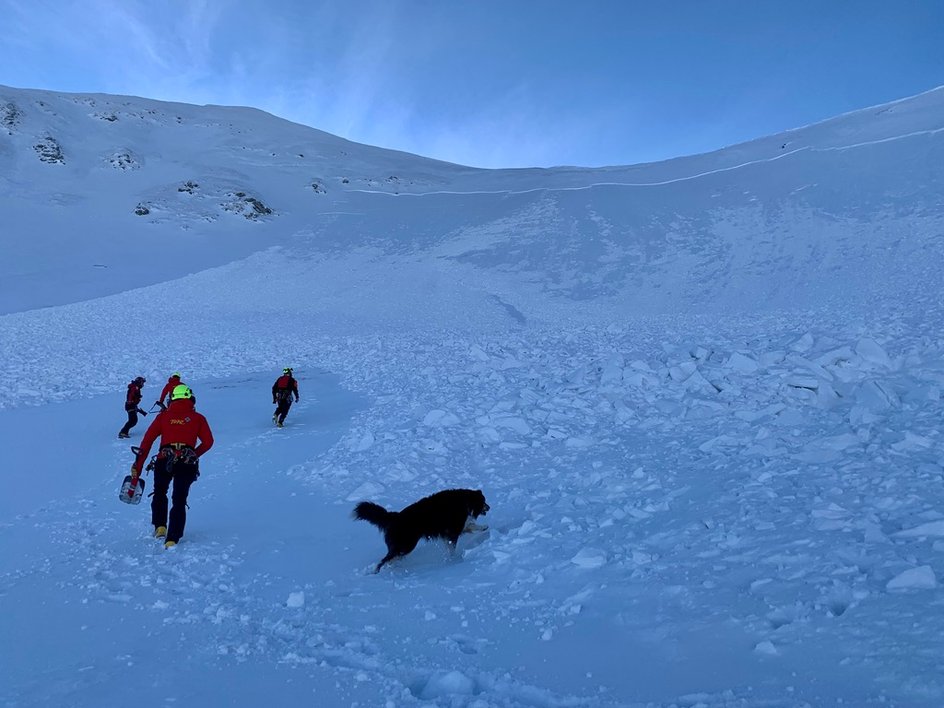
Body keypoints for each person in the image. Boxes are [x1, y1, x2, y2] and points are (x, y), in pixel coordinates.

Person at [129, 384, 214, 549]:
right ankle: (172, 538)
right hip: (187, 462)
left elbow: (147, 442)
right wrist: (194, 454)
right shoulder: (198, 418)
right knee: (179, 498)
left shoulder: (163, 417)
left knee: (160, 492)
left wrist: (137, 466)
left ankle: (160, 526)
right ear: (191, 398)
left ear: (172, 399)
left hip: (164, 459)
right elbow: (208, 442)